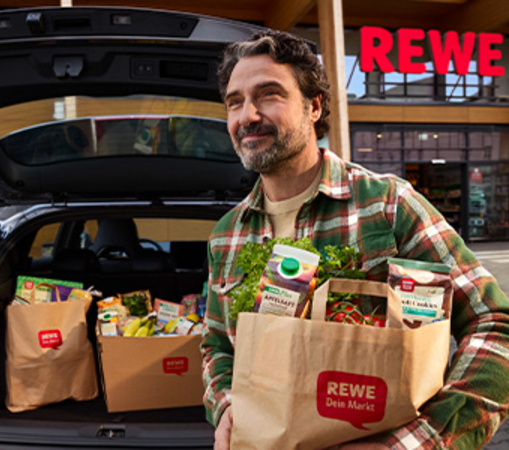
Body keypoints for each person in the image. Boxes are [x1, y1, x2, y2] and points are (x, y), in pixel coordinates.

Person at [200, 29, 509, 450]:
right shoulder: (226, 236)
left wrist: (417, 442)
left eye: (268, 94)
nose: (248, 115)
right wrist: (227, 407)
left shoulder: (388, 204)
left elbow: (495, 325)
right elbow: (217, 347)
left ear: (314, 106)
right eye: (235, 102)